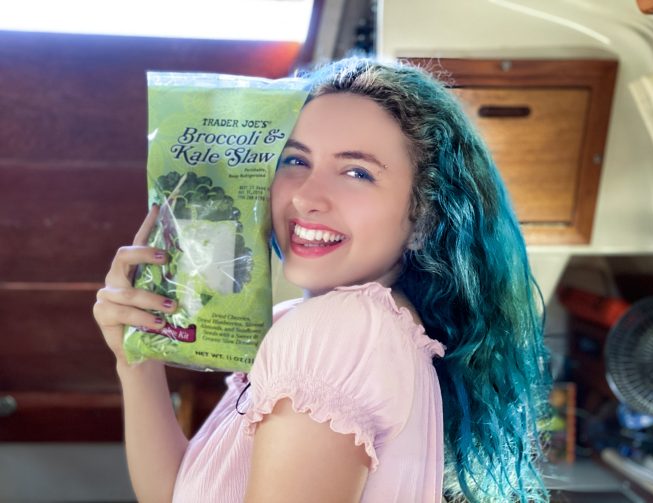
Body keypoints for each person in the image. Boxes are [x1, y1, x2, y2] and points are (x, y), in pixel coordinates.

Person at [93, 57, 551, 502]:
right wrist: (136, 361)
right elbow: (175, 492)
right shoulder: (320, 324)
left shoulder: (336, 332)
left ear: (424, 220)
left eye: (357, 172)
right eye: (295, 161)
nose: (307, 197)